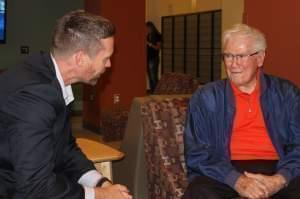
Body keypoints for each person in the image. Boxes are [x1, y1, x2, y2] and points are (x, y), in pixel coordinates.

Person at [0, 10, 132, 199]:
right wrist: (100, 195)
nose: (109, 64)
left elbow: (65, 147)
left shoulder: (50, 77)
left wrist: (100, 182)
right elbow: (36, 187)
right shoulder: (35, 98)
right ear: (80, 58)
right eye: (105, 58)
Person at [183, 24, 300, 199]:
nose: (233, 64)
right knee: (199, 192)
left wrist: (280, 179)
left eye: (241, 56)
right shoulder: (206, 97)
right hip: (224, 167)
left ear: (260, 58)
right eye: (228, 56)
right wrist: (237, 181)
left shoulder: (287, 93)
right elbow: (197, 153)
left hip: (279, 164)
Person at [146, 21, 162, 93]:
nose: (146, 30)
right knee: (150, 77)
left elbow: (157, 48)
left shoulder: (157, 36)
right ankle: (152, 92)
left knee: (153, 77)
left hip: (154, 58)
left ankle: (157, 92)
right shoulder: (147, 36)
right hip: (147, 58)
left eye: (147, 28)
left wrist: (149, 44)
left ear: (151, 28)